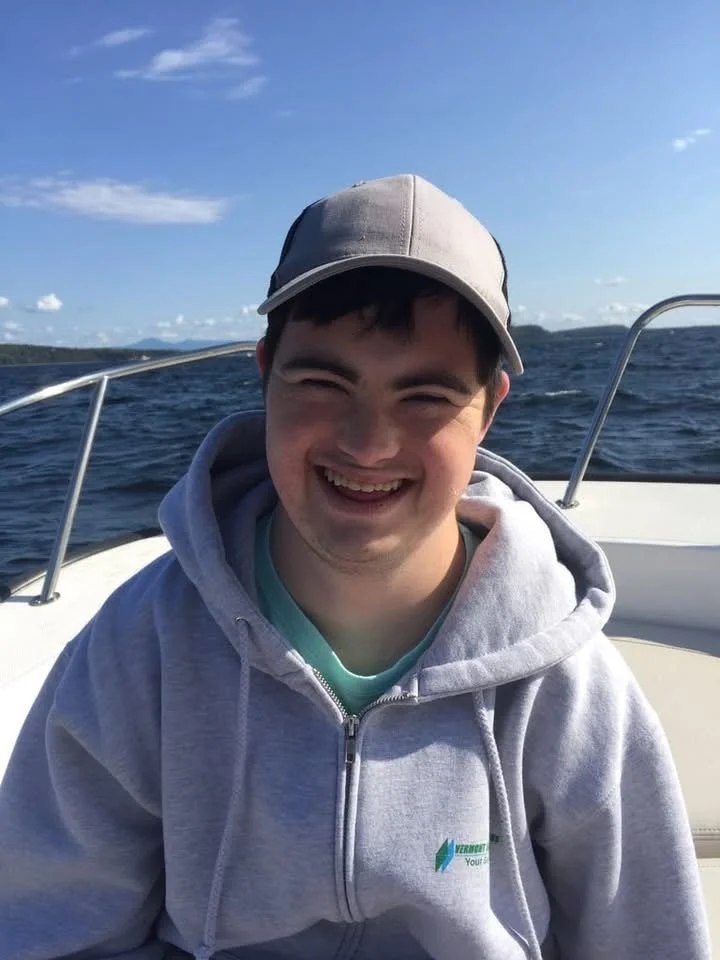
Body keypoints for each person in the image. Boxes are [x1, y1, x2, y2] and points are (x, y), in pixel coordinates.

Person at [0, 174, 710, 960]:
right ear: (265, 372)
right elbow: (51, 932)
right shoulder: (141, 647)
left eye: (425, 396)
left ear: (490, 407)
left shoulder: (567, 686)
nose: (368, 444)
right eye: (323, 382)